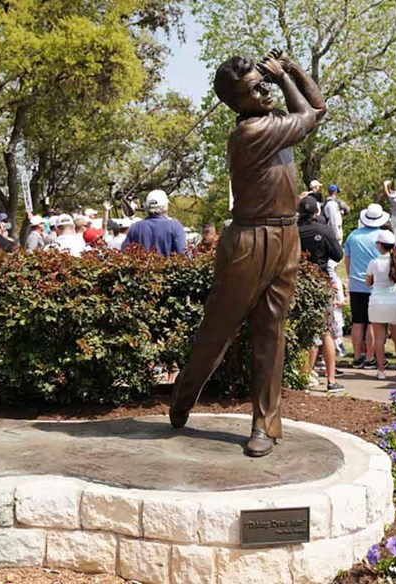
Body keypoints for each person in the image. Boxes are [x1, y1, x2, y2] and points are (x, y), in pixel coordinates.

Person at [169, 49, 326, 457]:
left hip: (285, 237)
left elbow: (317, 106)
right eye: (255, 89)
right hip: (249, 240)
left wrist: (289, 69)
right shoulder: (250, 133)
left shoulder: (274, 121)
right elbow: (310, 116)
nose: (263, 92)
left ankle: (264, 424)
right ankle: (185, 393)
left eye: (262, 84)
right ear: (236, 104)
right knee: (217, 332)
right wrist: (283, 76)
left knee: (271, 333)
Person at [297, 196, 344, 392]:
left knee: (302, 331)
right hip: (320, 282)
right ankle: (331, 380)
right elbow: (338, 255)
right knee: (326, 332)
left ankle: (305, 375)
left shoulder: (292, 231)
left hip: (298, 282)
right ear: (317, 212)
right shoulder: (323, 230)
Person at [344, 203, 389, 368]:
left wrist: (351, 276)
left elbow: (347, 260)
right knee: (372, 322)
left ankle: (357, 357)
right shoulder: (382, 236)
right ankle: (370, 357)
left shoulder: (353, 236)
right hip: (376, 284)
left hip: (356, 284)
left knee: (358, 321)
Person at [366, 230, 396, 379]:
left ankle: (381, 370)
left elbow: (368, 282)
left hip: (377, 301)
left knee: (379, 337)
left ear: (380, 245)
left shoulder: (374, 262)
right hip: (395, 300)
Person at [122, 190, 187, 256]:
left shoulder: (135, 227)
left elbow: (124, 253)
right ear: (166, 207)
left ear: (146, 207)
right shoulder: (175, 226)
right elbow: (182, 254)